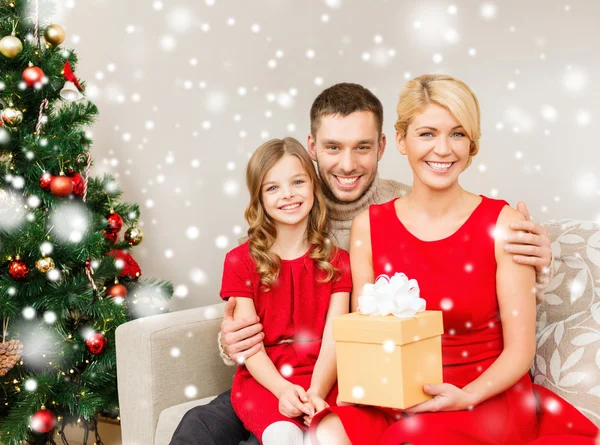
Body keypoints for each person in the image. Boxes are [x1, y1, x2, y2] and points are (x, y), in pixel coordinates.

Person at [170, 83, 553, 445]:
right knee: (198, 427)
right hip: (276, 378)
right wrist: (231, 341)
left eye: (363, 147)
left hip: (341, 375)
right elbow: (248, 310)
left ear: (385, 146)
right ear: (312, 146)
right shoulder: (282, 210)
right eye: (333, 147)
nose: (348, 164)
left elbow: (461, 259)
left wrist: (541, 259)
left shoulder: (406, 209)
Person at [309, 74, 598, 445]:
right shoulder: (369, 226)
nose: (443, 149)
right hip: (396, 393)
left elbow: (520, 350)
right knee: (328, 430)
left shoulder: (504, 224)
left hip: (483, 395)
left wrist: (468, 395)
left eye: (457, 134)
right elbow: (367, 333)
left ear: (472, 143)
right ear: (400, 140)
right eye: (427, 134)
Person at [218, 137, 352, 444]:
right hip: (265, 382)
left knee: (329, 437)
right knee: (284, 434)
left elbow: (335, 338)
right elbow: (250, 345)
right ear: (259, 198)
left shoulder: (337, 261)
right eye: (273, 187)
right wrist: (281, 389)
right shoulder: (240, 261)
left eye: (297, 182)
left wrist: (317, 391)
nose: (288, 195)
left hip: (325, 377)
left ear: (314, 187)